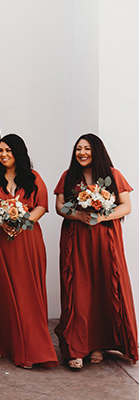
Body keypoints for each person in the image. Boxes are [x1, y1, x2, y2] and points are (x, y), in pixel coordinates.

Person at [0, 134, 57, 368]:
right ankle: (1, 342)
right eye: (0, 150)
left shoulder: (33, 178)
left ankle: (29, 345)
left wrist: (23, 221)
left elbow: (41, 206)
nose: (3, 154)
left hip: (26, 241)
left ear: (19, 152)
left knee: (26, 293)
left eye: (8, 150)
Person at [55, 134, 138, 369]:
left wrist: (101, 216)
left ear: (97, 151)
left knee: (104, 287)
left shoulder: (113, 174)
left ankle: (99, 345)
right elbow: (60, 206)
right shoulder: (68, 176)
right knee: (78, 290)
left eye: (87, 148)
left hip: (105, 240)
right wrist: (79, 215)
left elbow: (126, 206)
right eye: (78, 149)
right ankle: (76, 348)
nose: (81, 153)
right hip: (77, 240)